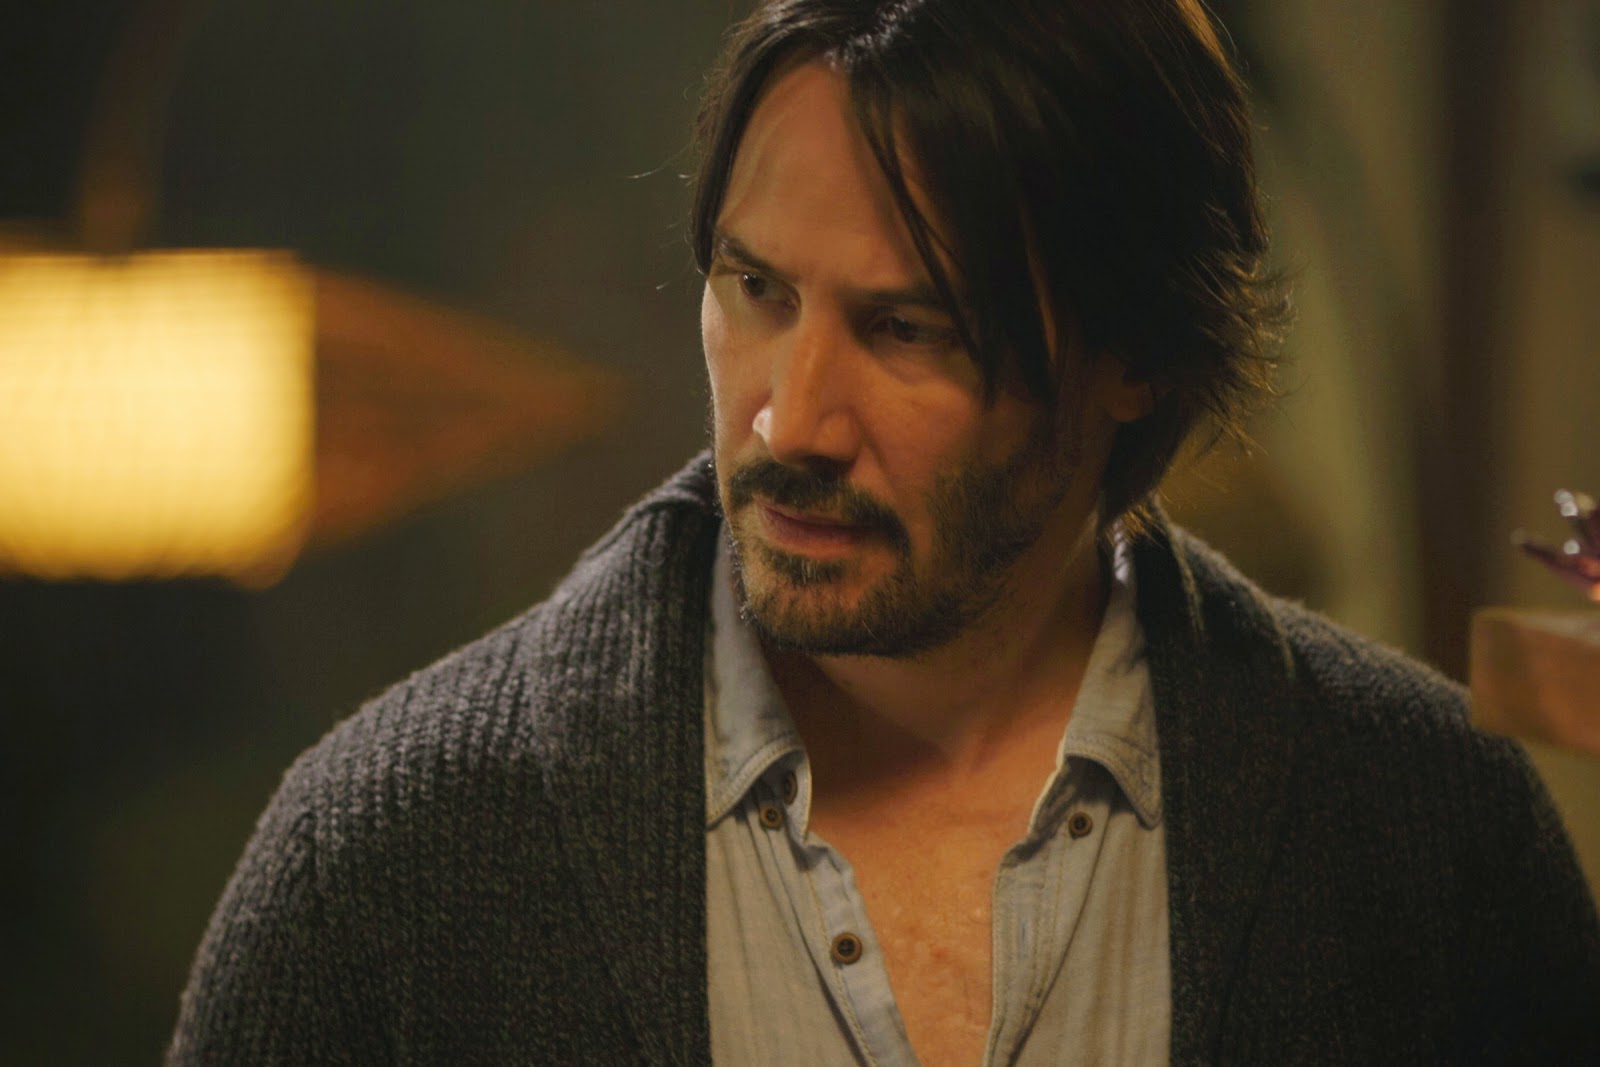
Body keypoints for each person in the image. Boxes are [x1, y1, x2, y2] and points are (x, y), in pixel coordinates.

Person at [168, 1, 1600, 1063]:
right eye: (757, 291)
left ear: (1135, 358)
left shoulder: (1429, 839)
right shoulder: (391, 856)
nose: (789, 422)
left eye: (908, 328)